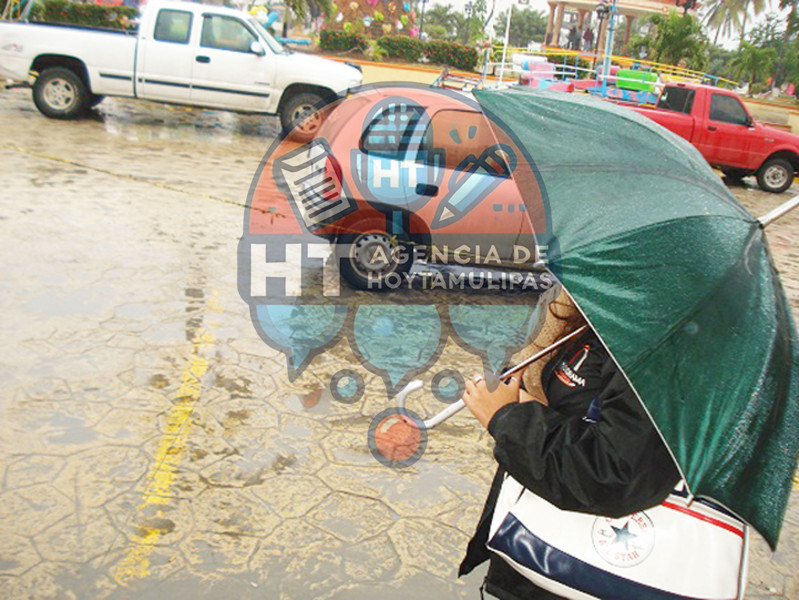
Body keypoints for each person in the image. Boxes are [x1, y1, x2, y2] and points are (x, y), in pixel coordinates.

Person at [458, 297, 681, 600]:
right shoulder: (594, 299)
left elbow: (616, 471)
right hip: (531, 555)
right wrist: (521, 402)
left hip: (581, 574)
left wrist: (509, 419)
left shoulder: (658, 335)